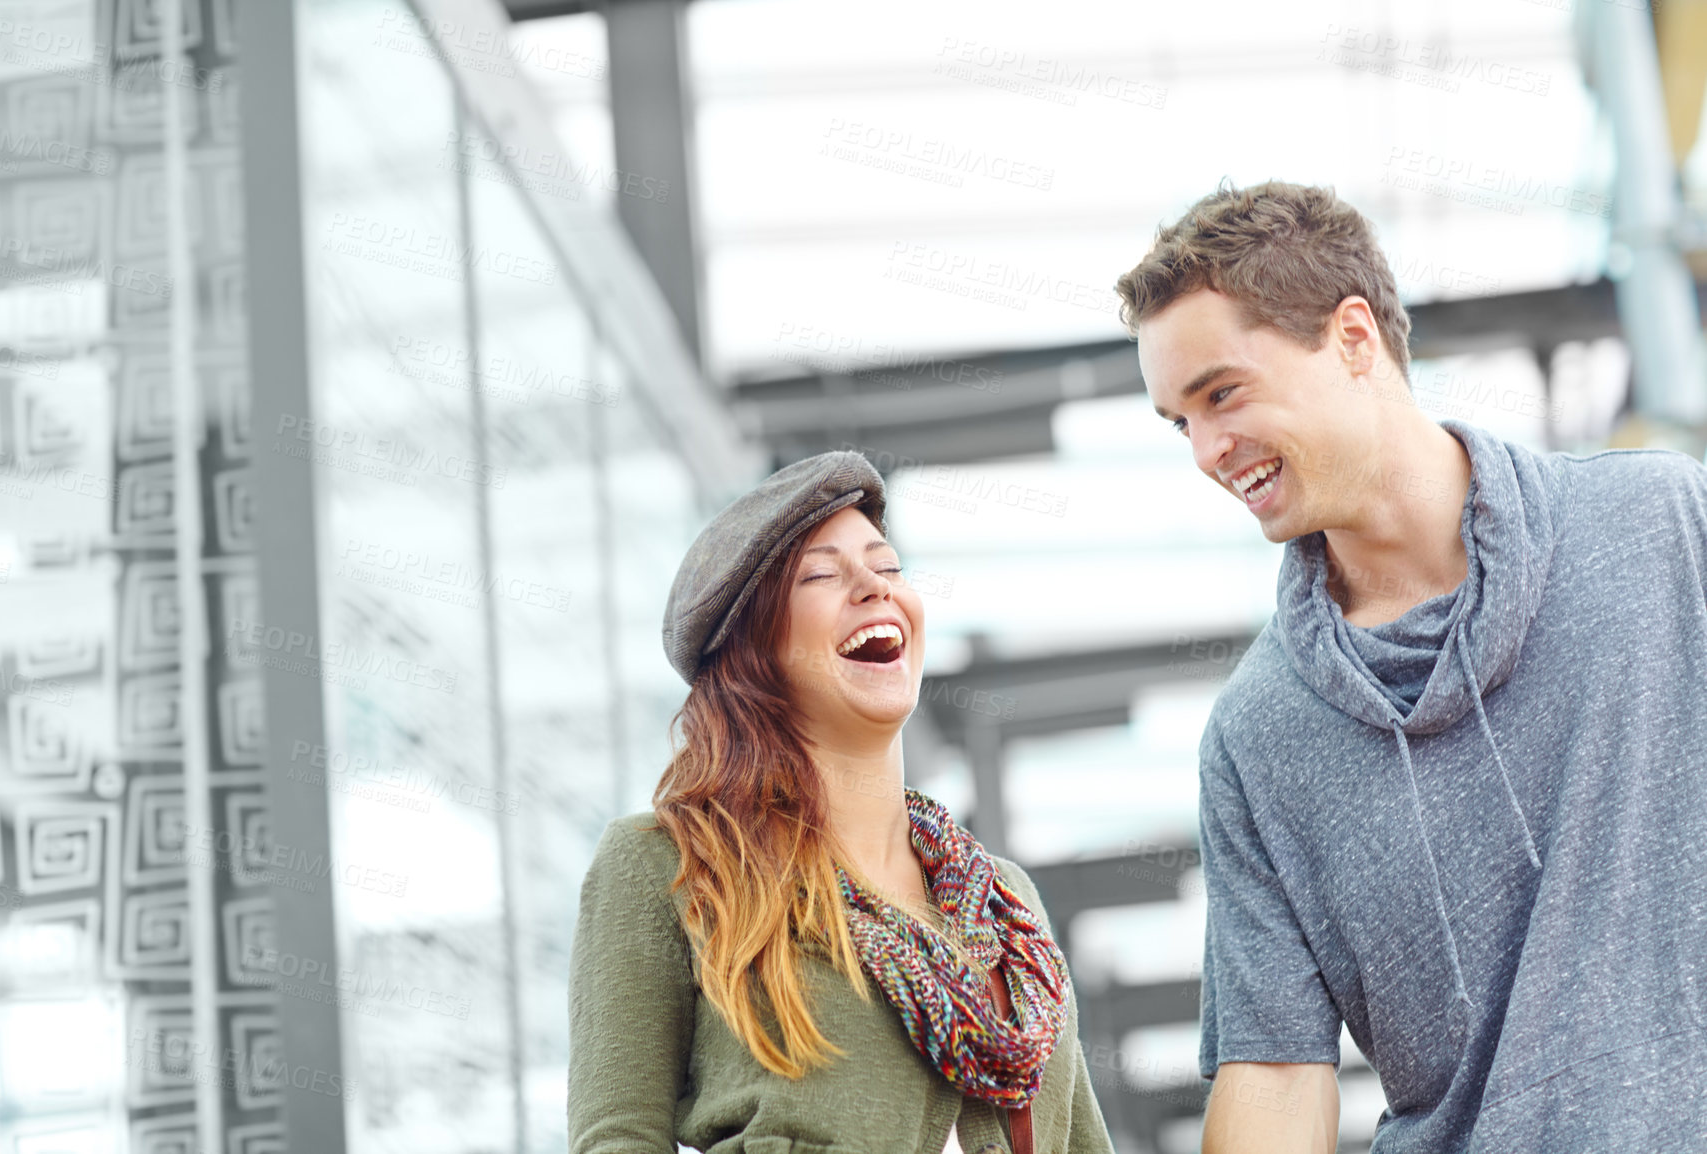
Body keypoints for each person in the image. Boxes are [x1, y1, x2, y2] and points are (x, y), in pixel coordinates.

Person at [1115, 179, 1707, 1153]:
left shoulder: (1661, 527)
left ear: (1353, 339)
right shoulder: (1259, 738)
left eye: (1220, 393)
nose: (1208, 450)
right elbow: (1273, 1077)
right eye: (1179, 420)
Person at [566, 451, 1113, 1154]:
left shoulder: (1006, 903)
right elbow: (617, 1139)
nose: (873, 588)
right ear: (752, 655)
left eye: (887, 568)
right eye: (822, 575)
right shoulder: (667, 866)